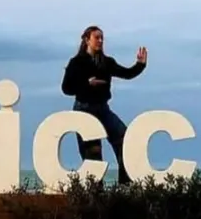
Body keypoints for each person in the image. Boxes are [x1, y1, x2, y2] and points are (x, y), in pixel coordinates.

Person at [61, 25, 147, 185]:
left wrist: (140, 65)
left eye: (102, 38)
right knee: (93, 151)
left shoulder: (107, 62)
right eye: (97, 37)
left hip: (103, 109)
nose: (100, 41)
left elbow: (127, 73)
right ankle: (96, 191)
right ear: (87, 40)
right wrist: (86, 84)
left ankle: (125, 184)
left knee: (124, 139)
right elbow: (66, 88)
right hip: (84, 109)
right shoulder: (76, 62)